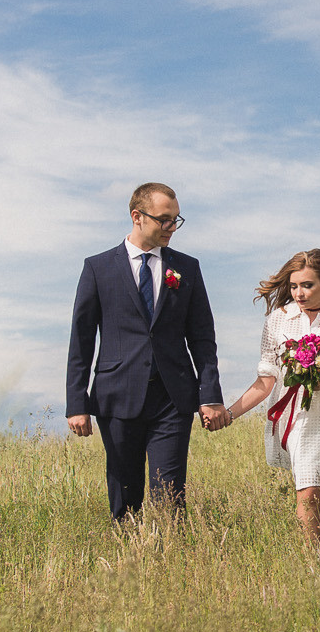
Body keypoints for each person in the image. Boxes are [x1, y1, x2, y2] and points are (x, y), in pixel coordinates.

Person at [65, 183, 229, 521]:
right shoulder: (98, 268)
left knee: (169, 495)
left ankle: (169, 562)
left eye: (175, 220)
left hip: (173, 397)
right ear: (136, 216)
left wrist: (209, 394)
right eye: (164, 220)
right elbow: (81, 340)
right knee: (125, 496)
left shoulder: (187, 268)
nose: (171, 227)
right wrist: (77, 403)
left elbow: (202, 338)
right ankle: (130, 562)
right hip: (117, 397)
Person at [217, 249, 320, 542]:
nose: (299, 293)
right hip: (300, 418)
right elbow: (266, 379)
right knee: (309, 491)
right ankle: (315, 563)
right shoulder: (278, 320)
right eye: (293, 286)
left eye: (307, 285)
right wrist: (229, 414)